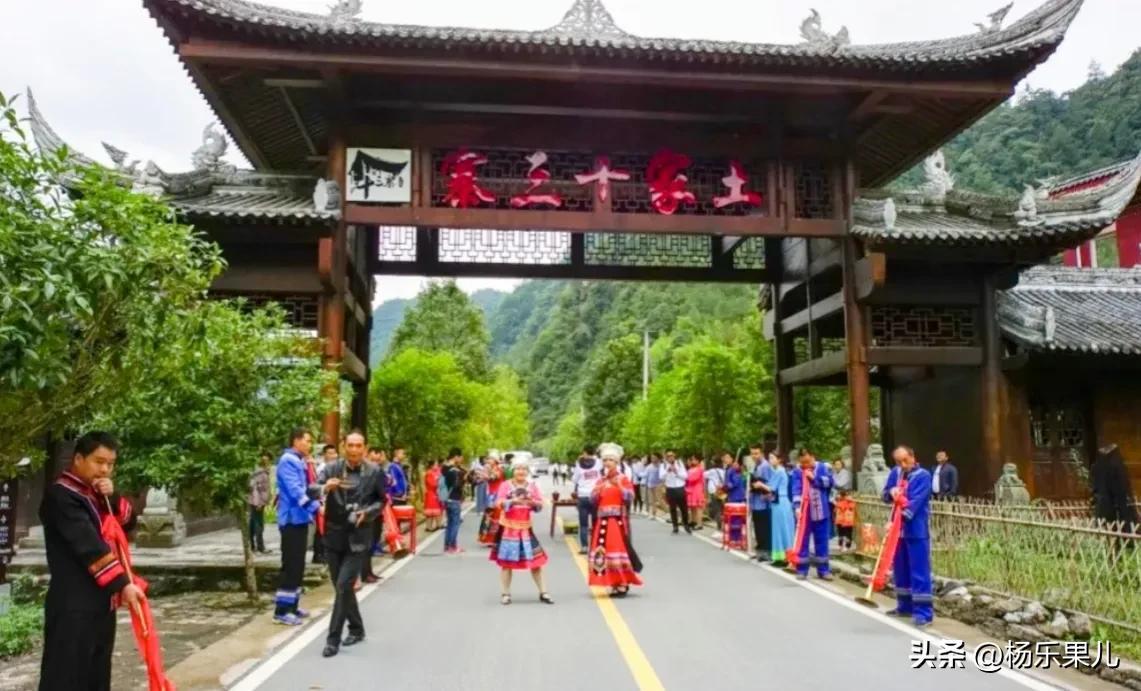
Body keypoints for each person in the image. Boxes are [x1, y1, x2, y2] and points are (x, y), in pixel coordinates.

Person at [38, 431, 143, 691]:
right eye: (99, 462)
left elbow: (128, 522)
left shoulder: (96, 494)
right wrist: (122, 584)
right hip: (74, 604)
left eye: (110, 464)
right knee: (66, 677)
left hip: (100, 603)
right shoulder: (62, 495)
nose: (105, 469)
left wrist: (114, 497)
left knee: (96, 677)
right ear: (78, 459)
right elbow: (90, 548)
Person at [313, 431, 386, 657]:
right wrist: (326, 488)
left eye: (359, 445)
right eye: (350, 445)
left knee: (345, 586)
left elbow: (381, 501)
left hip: (359, 538)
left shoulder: (374, 472)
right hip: (334, 536)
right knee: (341, 588)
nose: (354, 449)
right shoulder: (332, 468)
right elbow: (311, 487)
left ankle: (332, 639)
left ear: (365, 447)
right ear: (344, 446)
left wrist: (368, 513)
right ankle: (357, 627)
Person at [489, 461, 554, 605]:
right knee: (506, 564)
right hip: (508, 529)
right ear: (513, 471)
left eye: (524, 469)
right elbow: (498, 502)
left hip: (525, 528)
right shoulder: (505, 485)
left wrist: (532, 503)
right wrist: (512, 501)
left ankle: (543, 592)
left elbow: (539, 505)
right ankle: (505, 593)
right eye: (518, 468)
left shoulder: (532, 486)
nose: (521, 471)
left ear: (527, 472)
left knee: (536, 562)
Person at [883, 445, 934, 627]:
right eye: (898, 462)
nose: (902, 465)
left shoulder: (924, 476)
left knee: (919, 570)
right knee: (901, 568)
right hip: (898, 532)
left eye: (905, 460)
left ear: (913, 457)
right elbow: (885, 494)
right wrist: (891, 492)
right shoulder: (895, 473)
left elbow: (916, 503)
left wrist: (898, 519)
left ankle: (923, 612)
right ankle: (904, 605)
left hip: (916, 529)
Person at [274, 428, 320, 624]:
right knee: (291, 565)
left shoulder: (299, 460)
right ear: (296, 441)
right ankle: (282, 611)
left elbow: (308, 488)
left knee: (298, 565)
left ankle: (292, 605)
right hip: (291, 519)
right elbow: (296, 491)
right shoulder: (288, 461)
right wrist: (317, 508)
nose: (310, 445)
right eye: (307, 441)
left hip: (300, 519)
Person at [588, 444, 643, 597]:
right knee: (603, 551)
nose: (607, 463)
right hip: (602, 521)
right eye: (605, 460)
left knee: (617, 550)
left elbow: (630, 496)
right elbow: (593, 499)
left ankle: (623, 582)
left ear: (617, 462)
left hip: (616, 521)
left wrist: (619, 486)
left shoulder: (622, 479)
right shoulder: (601, 481)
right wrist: (597, 491)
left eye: (610, 460)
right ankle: (612, 581)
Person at [790, 448, 835, 580]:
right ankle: (802, 569)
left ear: (813, 457)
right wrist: (797, 507)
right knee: (803, 540)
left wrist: (814, 478)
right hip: (805, 511)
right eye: (802, 462)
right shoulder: (798, 471)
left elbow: (831, 482)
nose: (805, 465)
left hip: (821, 509)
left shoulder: (823, 467)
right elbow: (795, 489)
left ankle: (824, 570)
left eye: (807, 461)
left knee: (822, 540)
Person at [1091, 444, 1138, 532]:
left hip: (1105, 503)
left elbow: (1095, 487)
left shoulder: (1097, 467)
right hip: (1117, 504)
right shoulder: (1117, 466)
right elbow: (1123, 486)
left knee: (1108, 527)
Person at [571, 446, 602, 554]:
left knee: (583, 524)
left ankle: (584, 546)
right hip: (595, 495)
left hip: (583, 496)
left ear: (584, 452)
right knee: (596, 522)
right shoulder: (599, 462)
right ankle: (596, 545)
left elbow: (574, 479)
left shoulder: (579, 463)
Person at [748, 444, 774, 562]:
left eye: (756, 453)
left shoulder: (765, 466)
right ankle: (760, 551)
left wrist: (762, 489)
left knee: (765, 528)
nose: (754, 456)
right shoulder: (755, 466)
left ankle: (766, 552)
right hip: (755, 501)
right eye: (752, 453)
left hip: (764, 502)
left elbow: (770, 484)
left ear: (762, 453)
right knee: (758, 527)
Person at [768, 451, 793, 568]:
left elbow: (771, 488)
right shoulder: (780, 471)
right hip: (780, 501)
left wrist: (759, 485)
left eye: (772, 458)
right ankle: (782, 556)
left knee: (781, 530)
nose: (770, 460)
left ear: (779, 459)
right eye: (769, 458)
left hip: (780, 502)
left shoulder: (779, 471)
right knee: (782, 529)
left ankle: (784, 557)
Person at [478, 454, 506, 546]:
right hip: (490, 494)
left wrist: (484, 474)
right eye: (488, 458)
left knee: (496, 517)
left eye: (490, 459)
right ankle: (490, 539)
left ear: (495, 460)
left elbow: (493, 477)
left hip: (497, 495)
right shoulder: (491, 469)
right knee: (489, 517)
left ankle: (496, 539)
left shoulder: (499, 469)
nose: (488, 460)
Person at [442, 448, 466, 554]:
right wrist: (463, 479)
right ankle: (452, 546)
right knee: (455, 523)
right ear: (456, 457)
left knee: (450, 523)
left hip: (446, 498)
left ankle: (447, 546)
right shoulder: (454, 471)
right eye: (460, 457)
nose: (461, 459)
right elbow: (457, 486)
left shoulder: (444, 468)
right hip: (455, 498)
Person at [248, 452, 272, 554]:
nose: (267, 463)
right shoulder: (259, 473)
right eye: (265, 461)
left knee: (253, 523)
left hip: (257, 501)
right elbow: (255, 489)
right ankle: (259, 547)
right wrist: (258, 502)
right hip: (257, 502)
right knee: (258, 525)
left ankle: (252, 546)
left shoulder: (261, 472)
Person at [662, 451, 690, 534]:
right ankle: (675, 526)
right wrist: (667, 470)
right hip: (670, 489)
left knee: (684, 508)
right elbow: (661, 477)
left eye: (672, 456)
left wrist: (676, 472)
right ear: (666, 458)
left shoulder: (680, 464)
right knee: (672, 508)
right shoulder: (663, 465)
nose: (670, 458)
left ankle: (686, 524)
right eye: (668, 456)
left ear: (674, 457)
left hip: (680, 488)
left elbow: (685, 476)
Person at [723, 454, 747, 546]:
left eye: (728, 457)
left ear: (732, 458)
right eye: (724, 458)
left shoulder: (735, 469)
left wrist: (726, 487)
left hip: (737, 496)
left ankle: (737, 538)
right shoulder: (729, 469)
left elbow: (735, 482)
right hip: (731, 495)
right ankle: (733, 537)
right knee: (732, 518)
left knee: (736, 518)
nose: (726, 459)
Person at [705, 456, 727, 528]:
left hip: (714, 491)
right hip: (722, 491)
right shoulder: (724, 471)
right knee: (722, 507)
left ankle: (719, 525)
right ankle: (724, 523)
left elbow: (703, 475)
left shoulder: (712, 471)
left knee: (717, 508)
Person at [685, 455, 706, 530]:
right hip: (690, 489)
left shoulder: (700, 469)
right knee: (692, 507)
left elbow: (693, 478)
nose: (693, 461)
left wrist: (686, 477)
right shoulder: (691, 469)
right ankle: (693, 521)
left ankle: (699, 523)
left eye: (695, 460)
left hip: (697, 490)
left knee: (698, 507)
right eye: (692, 459)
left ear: (698, 461)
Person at [423, 459, 444, 532]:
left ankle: (433, 526)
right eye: (435, 465)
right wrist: (438, 481)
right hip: (431, 493)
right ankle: (429, 526)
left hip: (434, 493)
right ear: (431, 466)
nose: (436, 466)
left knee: (433, 511)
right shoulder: (429, 473)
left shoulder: (434, 473)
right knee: (431, 512)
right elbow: (432, 484)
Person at [645, 454, 664, 519]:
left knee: (660, 501)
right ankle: (653, 514)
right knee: (652, 501)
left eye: (654, 458)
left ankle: (669, 512)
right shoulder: (649, 467)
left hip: (659, 485)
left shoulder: (661, 466)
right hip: (651, 485)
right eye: (652, 458)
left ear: (658, 458)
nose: (653, 459)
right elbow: (645, 475)